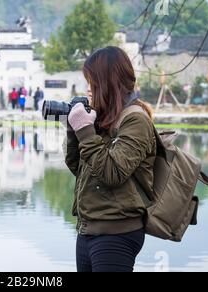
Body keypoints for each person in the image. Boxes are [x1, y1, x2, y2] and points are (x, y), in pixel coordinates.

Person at [65, 46, 156, 272]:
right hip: (88, 230)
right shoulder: (104, 117)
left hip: (117, 233)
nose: (87, 89)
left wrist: (85, 130)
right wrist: (73, 131)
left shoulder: (135, 120)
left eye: (92, 81)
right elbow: (79, 168)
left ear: (108, 81)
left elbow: (112, 174)